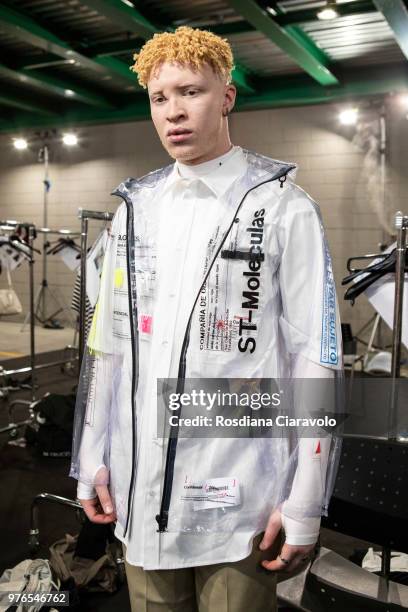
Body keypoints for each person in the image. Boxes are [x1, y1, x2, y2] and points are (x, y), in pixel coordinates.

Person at [70, 26, 343, 611]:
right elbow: (109, 347)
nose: (173, 112)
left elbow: (314, 356)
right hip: (139, 491)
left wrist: (304, 498)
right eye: (158, 98)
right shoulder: (135, 213)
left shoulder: (280, 206)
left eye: (190, 91)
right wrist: (91, 456)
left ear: (227, 97)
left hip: (237, 497)